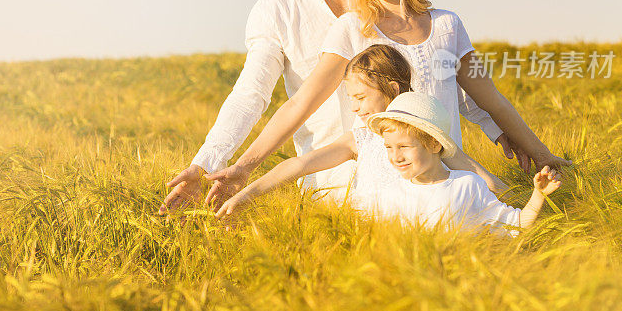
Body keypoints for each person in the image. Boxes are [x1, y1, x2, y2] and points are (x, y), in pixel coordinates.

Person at [159, 0, 513, 215]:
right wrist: (209, 163)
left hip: (428, 174)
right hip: (334, 182)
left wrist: (498, 129)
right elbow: (251, 95)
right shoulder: (275, 9)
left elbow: (435, 65)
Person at [205, 0, 571, 208]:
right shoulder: (351, 29)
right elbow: (301, 103)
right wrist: (242, 167)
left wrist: (541, 154)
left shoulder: (448, 25)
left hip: (449, 183)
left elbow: (490, 99)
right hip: (386, 191)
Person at [214, 45, 505, 220]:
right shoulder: (361, 138)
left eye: (361, 98)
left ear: (392, 90)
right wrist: (247, 195)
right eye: (350, 98)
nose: (354, 108)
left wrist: (526, 202)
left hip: (417, 237)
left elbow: (482, 179)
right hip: (367, 238)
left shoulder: (423, 137)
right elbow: (300, 164)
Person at [218, 91, 563, 233]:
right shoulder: (389, 195)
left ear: (432, 143)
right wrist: (246, 199)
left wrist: (538, 195)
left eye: (404, 147)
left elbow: (516, 226)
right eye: (388, 148)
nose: (395, 156)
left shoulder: (465, 187)